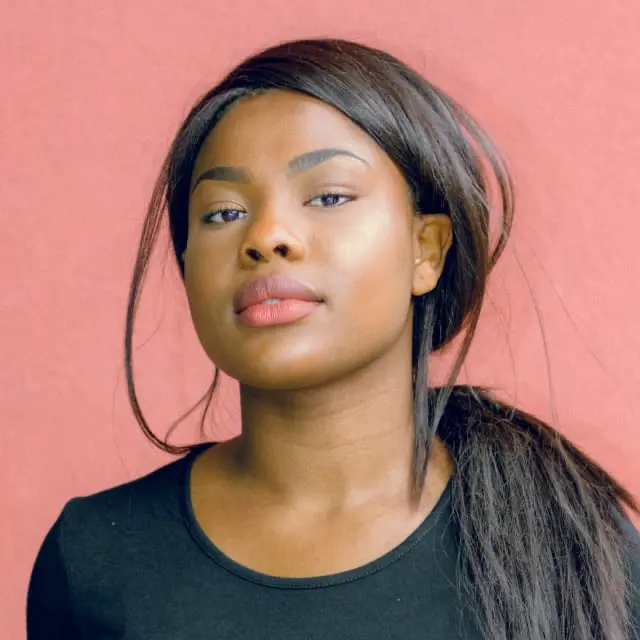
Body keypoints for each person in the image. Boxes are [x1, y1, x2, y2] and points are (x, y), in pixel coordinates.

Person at [27, 38, 639, 640]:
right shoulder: (93, 560)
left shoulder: (573, 540)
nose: (266, 236)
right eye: (224, 213)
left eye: (328, 196)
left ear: (426, 251)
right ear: (187, 267)